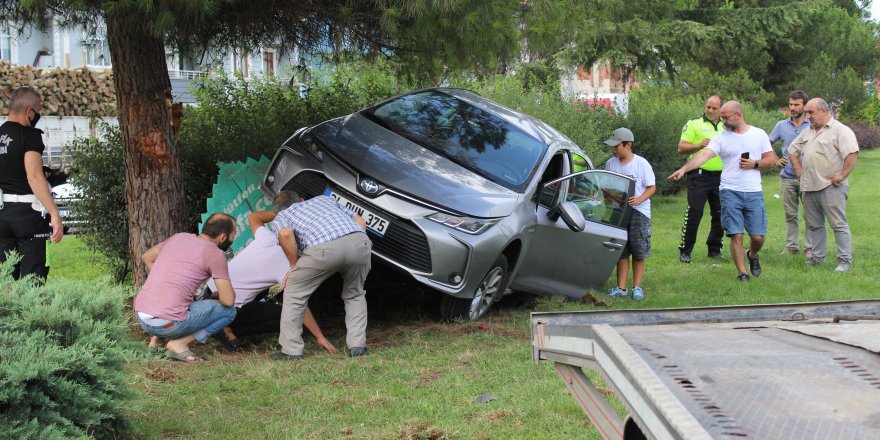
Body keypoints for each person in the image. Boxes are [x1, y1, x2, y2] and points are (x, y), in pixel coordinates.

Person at [205, 192, 337, 354]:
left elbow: (254, 217)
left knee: (265, 289)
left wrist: (283, 214)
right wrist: (319, 336)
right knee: (293, 318)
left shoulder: (267, 237)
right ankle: (227, 327)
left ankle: (220, 321)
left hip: (211, 289)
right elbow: (298, 304)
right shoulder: (287, 265)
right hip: (228, 307)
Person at [669, 101, 778, 282]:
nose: (723, 121)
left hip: (753, 192)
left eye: (726, 118)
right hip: (729, 191)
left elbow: (771, 160)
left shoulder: (758, 134)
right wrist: (684, 169)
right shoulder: (721, 137)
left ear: (739, 115)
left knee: (758, 237)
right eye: (722, 118)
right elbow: (703, 156)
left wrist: (755, 164)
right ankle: (742, 273)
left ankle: (751, 254)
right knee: (736, 234)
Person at [270, 191, 371, 361]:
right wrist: (355, 244)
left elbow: (286, 234)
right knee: (355, 293)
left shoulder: (282, 215)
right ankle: (357, 347)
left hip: (323, 249)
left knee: (294, 293)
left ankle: (291, 350)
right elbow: (360, 221)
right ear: (301, 199)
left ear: (277, 211)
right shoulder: (324, 199)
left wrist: (294, 265)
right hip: (359, 241)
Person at [133, 213, 238, 362]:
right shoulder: (215, 254)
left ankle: (155, 340)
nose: (234, 238)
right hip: (168, 325)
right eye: (233, 234)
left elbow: (147, 257)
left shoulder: (179, 237)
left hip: (142, 317)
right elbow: (228, 301)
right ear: (222, 237)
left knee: (182, 302)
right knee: (229, 312)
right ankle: (179, 344)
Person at [788, 98, 859, 272]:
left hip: (830, 186)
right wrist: (798, 169)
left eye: (811, 112)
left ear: (824, 111)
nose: (807, 116)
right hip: (809, 186)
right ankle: (817, 258)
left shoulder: (840, 130)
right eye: (806, 112)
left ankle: (844, 261)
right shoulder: (807, 131)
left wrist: (842, 175)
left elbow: (852, 153)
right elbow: (792, 150)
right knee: (814, 225)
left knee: (838, 224)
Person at [0, 87, 63, 280]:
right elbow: (34, 177)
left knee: (5, 281)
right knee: (34, 280)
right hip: (30, 215)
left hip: (2, 214)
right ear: (29, 111)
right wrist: (54, 213)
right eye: (38, 110)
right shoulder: (30, 136)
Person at [602, 128, 656, 301]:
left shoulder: (641, 164)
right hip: (618, 212)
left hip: (639, 213)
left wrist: (639, 200)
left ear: (628, 145)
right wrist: (610, 200)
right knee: (621, 250)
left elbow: (652, 187)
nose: (613, 150)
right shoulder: (611, 163)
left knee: (639, 250)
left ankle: (637, 288)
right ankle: (621, 287)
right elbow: (606, 186)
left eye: (617, 146)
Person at [676, 94, 726, 264]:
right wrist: (698, 145)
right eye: (708, 107)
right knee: (695, 213)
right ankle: (685, 250)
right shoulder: (694, 123)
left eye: (714, 108)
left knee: (720, 214)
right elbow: (681, 148)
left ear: (721, 109)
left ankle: (714, 249)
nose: (710, 110)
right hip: (699, 176)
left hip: (721, 177)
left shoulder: (726, 125)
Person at [769, 91, 812, 256]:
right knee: (790, 214)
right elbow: (766, 143)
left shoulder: (812, 124)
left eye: (796, 105)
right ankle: (791, 247)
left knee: (810, 215)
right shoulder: (781, 125)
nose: (792, 108)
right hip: (787, 177)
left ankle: (810, 248)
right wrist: (775, 159)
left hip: (809, 177)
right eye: (791, 104)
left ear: (804, 106)